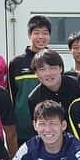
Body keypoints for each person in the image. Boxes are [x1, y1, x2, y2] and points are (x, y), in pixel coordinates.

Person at [9, 15, 52, 145]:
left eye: (45, 33)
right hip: (24, 126)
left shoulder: (54, 59)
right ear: (29, 35)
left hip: (50, 126)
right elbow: (12, 95)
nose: (41, 37)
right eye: (36, 33)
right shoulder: (17, 62)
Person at [27, 49, 80, 131]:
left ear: (60, 68)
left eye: (52, 68)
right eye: (42, 69)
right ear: (36, 73)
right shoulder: (34, 98)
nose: (48, 73)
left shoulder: (79, 86)